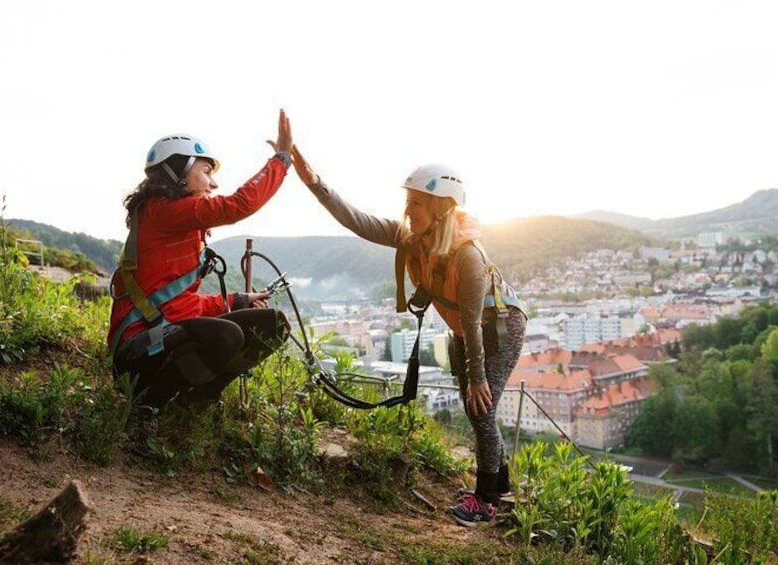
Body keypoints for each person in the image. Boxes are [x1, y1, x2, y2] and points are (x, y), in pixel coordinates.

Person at [288, 146, 526, 526]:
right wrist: (315, 183)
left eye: (416, 202)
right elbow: (358, 221)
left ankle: (486, 500)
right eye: (408, 201)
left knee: (482, 407)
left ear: (442, 209)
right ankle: (502, 489)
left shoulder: (468, 257)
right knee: (477, 408)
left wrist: (478, 376)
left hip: (497, 328)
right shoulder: (413, 239)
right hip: (467, 330)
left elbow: (471, 319)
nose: (407, 211)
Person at [108, 110, 293, 435]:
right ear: (178, 170)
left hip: (163, 338)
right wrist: (280, 161)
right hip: (135, 351)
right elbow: (237, 205)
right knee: (225, 335)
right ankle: (146, 407)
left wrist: (238, 300)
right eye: (206, 171)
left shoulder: (175, 224)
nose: (213, 182)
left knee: (273, 325)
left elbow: (181, 305)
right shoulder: (161, 212)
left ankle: (192, 402)